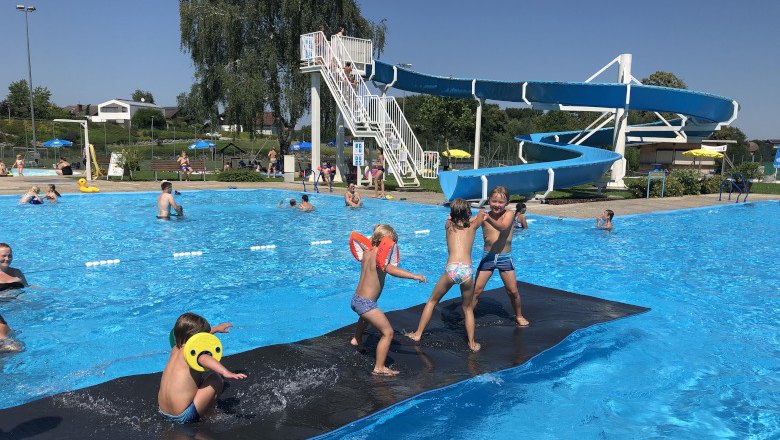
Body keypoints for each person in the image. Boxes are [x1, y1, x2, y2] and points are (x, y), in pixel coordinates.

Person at [406, 199, 487, 352]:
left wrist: (459, 216)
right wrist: (478, 215)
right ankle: (471, 343)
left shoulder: (448, 225)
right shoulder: (474, 226)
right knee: (468, 308)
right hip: (467, 270)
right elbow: (480, 217)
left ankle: (418, 334)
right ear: (468, 212)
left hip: (452, 268)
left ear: (452, 213)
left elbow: (454, 219)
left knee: (432, 302)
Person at [350, 224, 426, 376]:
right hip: (367, 303)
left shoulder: (367, 252)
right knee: (388, 333)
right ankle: (379, 367)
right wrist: (414, 276)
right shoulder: (380, 260)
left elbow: (374, 239)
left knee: (364, 318)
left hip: (356, 299)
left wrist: (377, 230)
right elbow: (392, 270)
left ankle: (356, 339)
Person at [158, 312, 247, 423]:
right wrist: (226, 372)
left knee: (195, 378)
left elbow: (193, 339)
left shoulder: (176, 347)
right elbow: (204, 358)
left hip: (163, 411)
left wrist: (215, 329)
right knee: (216, 378)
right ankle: (208, 413)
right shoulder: (194, 353)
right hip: (183, 416)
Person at [473, 186, 530, 327]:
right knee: (476, 290)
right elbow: (469, 225)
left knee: (512, 291)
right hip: (488, 257)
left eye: (500, 202)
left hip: (505, 258)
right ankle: (468, 316)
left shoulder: (509, 214)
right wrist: (455, 221)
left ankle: (519, 315)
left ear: (507, 203)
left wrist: (487, 218)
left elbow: (503, 227)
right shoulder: (483, 215)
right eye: (494, 201)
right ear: (488, 201)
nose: (497, 205)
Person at [0, 243, 28, 353]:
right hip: (5, 304)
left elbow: (27, 286)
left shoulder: (16, 272)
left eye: (9, 255)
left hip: (20, 301)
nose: (7, 259)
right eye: (3, 256)